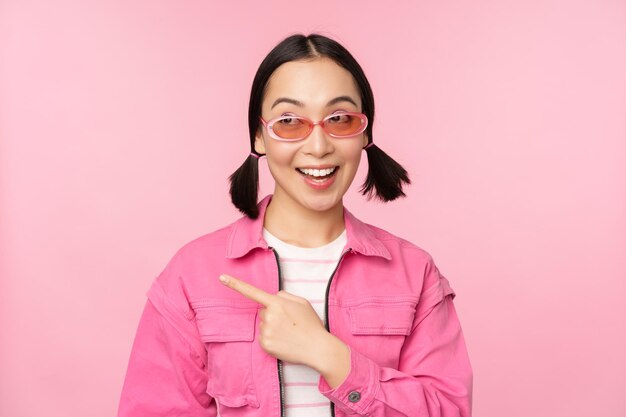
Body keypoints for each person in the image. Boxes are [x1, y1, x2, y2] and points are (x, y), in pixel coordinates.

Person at [117, 32, 473, 417]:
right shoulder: (192, 274)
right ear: (259, 134)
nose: (318, 146)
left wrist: (328, 354)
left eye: (339, 119)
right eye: (289, 121)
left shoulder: (414, 272)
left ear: (365, 132)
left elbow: (448, 411)